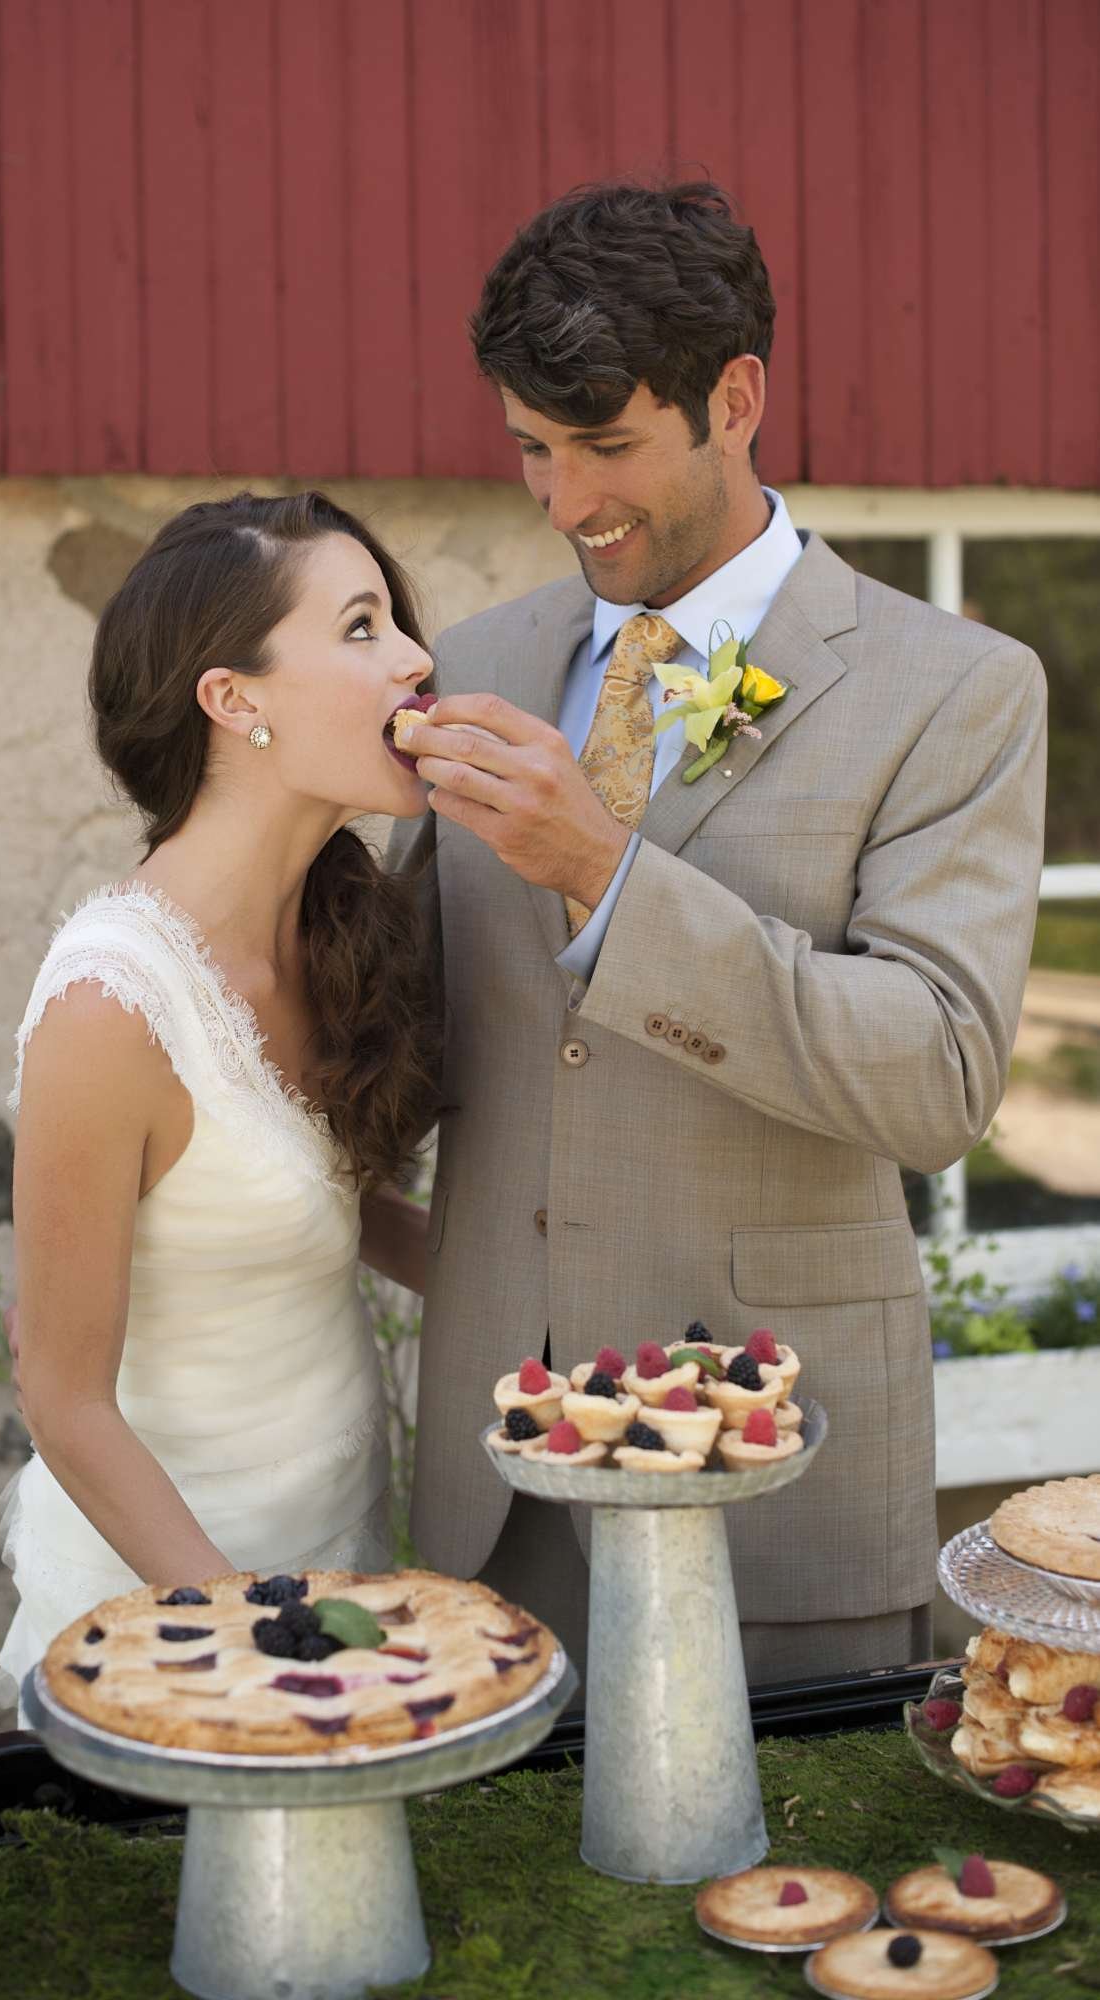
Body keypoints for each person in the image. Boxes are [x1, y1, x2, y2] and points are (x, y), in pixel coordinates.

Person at [390, 181, 1047, 1688]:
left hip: (774, 1475)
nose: (564, 500)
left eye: (604, 444)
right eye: (531, 449)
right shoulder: (475, 665)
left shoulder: (954, 689)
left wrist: (604, 874)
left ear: (734, 399)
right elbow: (398, 1038)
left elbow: (935, 1079)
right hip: (495, 1491)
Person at [0, 492, 438, 1719]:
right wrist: (261, 1635)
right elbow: (65, 1400)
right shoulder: (109, 1004)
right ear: (235, 700)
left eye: (396, 622)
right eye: (361, 626)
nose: (414, 659)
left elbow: (309, 1200)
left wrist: (556, 1297)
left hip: (342, 1554)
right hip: (176, 1623)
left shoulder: (334, 931)